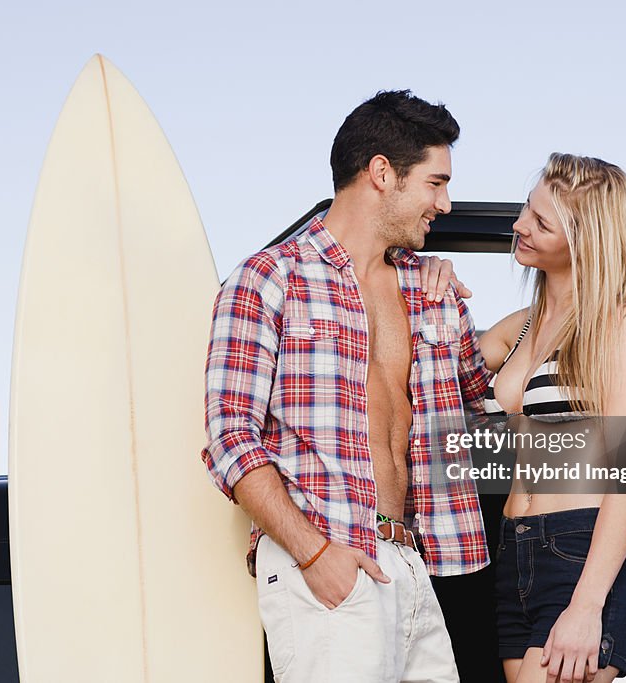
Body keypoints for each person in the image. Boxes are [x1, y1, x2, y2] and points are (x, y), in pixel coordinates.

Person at [201, 90, 494, 683]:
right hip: (329, 559)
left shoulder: (425, 288)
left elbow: (483, 394)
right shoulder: (269, 279)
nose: (445, 202)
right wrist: (314, 555)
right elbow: (231, 437)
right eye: (435, 183)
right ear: (382, 172)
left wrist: (575, 294)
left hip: (411, 564)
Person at [477, 153, 626, 682]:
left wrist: (586, 606)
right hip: (514, 552)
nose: (519, 227)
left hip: (576, 554)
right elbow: (436, 359)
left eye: (539, 222)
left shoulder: (616, 327)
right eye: (526, 211)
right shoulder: (522, 324)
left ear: (585, 240)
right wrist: (429, 274)